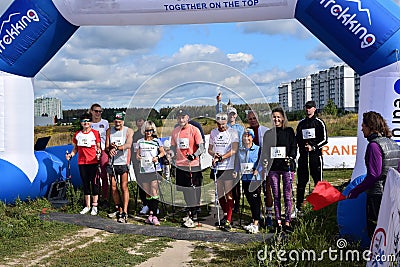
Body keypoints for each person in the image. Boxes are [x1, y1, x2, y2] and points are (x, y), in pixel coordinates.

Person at [348, 111, 400, 238]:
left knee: (377, 232)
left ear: (370, 127)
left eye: (363, 125)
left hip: (377, 195)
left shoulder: (374, 146)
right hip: (392, 194)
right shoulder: (393, 144)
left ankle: (375, 257)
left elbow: (374, 175)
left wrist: (355, 191)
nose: (361, 128)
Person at [261, 107, 297, 231]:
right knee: (276, 195)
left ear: (282, 118)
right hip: (273, 168)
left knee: (287, 195)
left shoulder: (289, 131)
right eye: (274, 117)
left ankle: (287, 220)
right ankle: (278, 220)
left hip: (287, 167)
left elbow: (293, 147)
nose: (276, 119)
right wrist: (265, 159)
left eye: (278, 117)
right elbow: (265, 151)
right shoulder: (268, 133)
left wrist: (291, 157)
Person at [171, 109, 205, 228]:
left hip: (193, 164)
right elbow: (173, 147)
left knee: (193, 189)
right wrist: (170, 154)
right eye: (179, 117)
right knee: (185, 190)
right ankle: (190, 210)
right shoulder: (175, 131)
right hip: (180, 165)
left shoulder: (194, 130)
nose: (181, 120)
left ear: (187, 118)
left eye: (183, 117)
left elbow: (201, 147)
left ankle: (194, 212)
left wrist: (194, 155)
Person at [295, 100, 328, 213]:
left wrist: (313, 147)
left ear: (314, 108)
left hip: (315, 156)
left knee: (318, 181)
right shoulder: (301, 124)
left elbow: (324, 139)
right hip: (303, 157)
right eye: (306, 107)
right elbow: (297, 138)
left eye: (310, 107)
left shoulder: (319, 123)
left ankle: (320, 205)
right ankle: (298, 207)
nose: (308, 110)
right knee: (301, 182)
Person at [208, 112, 239, 231]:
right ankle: (226, 215)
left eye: (223, 124)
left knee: (228, 194)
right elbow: (209, 149)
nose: (221, 126)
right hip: (217, 167)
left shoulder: (232, 132)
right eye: (219, 124)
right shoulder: (213, 132)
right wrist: (214, 154)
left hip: (228, 166)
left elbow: (234, 150)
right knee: (220, 194)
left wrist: (222, 157)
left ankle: (229, 220)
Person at [66, 113, 101, 215]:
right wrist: (71, 155)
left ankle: (95, 206)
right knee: (85, 184)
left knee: (94, 184)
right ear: (81, 123)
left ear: (90, 122)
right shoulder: (77, 134)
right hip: (82, 162)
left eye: (88, 121)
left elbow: (98, 147)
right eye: (84, 121)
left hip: (93, 161)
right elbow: (76, 148)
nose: (86, 123)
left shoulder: (95, 133)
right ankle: (87, 206)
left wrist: (98, 152)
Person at [105, 112, 133, 223]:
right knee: (113, 187)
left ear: (123, 121)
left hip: (123, 162)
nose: (117, 123)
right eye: (116, 121)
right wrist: (110, 149)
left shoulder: (128, 131)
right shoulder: (109, 131)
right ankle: (119, 208)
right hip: (112, 162)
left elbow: (128, 145)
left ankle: (125, 211)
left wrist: (117, 148)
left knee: (124, 187)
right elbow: (106, 146)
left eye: (119, 121)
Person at [136, 121, 165, 226]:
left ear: (153, 131)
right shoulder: (140, 141)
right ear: (144, 130)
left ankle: (154, 215)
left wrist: (157, 157)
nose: (148, 132)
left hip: (154, 169)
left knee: (154, 191)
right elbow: (137, 155)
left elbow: (162, 152)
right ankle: (150, 215)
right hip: (144, 169)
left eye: (150, 130)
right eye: (147, 130)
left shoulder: (157, 141)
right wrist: (139, 158)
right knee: (148, 192)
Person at [246, 110, 273, 226]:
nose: (252, 120)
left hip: (264, 166)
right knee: (255, 192)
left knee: (267, 190)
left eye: (254, 118)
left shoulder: (265, 130)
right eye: (250, 119)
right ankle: (258, 214)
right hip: (252, 168)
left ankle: (269, 214)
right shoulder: (247, 132)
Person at [238, 128, 262, 234]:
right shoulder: (240, 150)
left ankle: (256, 223)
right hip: (245, 178)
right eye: (244, 136)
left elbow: (262, 162)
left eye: (249, 136)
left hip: (255, 179)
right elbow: (238, 163)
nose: (246, 138)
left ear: (252, 137)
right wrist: (236, 171)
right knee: (250, 200)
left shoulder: (258, 149)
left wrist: (258, 169)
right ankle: (254, 220)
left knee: (255, 201)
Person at [89, 103, 110, 205]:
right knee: (94, 176)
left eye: (100, 111)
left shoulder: (105, 123)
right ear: (91, 112)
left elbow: (108, 137)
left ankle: (105, 197)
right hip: (92, 152)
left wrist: (106, 149)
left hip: (103, 151)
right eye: (96, 111)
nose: (98, 113)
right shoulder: (88, 123)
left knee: (104, 174)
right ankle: (95, 199)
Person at [227, 106, 245, 213]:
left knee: (236, 182)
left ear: (236, 115)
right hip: (227, 157)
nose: (232, 116)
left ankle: (237, 204)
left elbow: (242, 144)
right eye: (230, 114)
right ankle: (229, 203)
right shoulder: (225, 126)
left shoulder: (240, 128)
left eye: (233, 114)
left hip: (236, 157)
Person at [130, 117, 150, 215]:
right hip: (137, 163)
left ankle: (153, 205)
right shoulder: (134, 135)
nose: (140, 123)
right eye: (138, 121)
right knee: (141, 183)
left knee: (150, 184)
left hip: (149, 164)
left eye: (142, 121)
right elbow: (132, 149)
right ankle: (144, 203)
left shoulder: (150, 134)